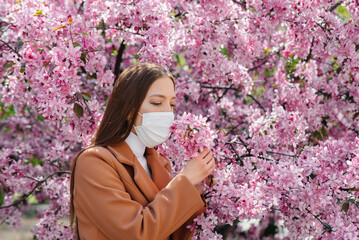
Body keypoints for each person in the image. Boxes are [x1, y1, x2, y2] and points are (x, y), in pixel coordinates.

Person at [70, 62, 216, 240]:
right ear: (130, 110)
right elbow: (136, 233)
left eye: (171, 105)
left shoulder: (159, 162)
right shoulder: (94, 163)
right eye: (157, 102)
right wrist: (185, 181)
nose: (167, 113)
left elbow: (171, 232)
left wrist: (196, 187)